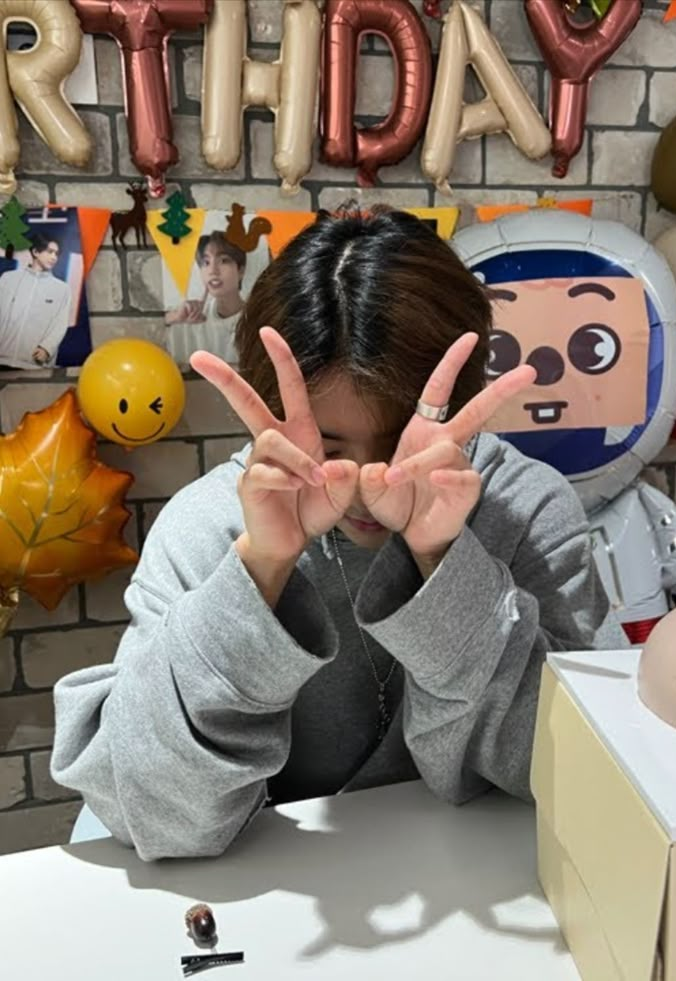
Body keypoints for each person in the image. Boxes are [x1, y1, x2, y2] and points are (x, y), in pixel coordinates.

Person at [51, 205, 624, 862]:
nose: (368, 481)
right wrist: (260, 568)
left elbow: (588, 771)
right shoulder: (207, 525)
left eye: (402, 438)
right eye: (328, 445)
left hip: (483, 879)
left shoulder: (524, 507)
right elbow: (150, 811)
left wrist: (442, 558)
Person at [164, 231, 246, 365]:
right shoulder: (191, 316)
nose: (213, 270)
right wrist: (174, 317)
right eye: (206, 262)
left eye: (224, 261)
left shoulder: (257, 319)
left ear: (241, 270)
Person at [0, 233, 72, 369]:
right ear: (35, 252)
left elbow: (60, 323)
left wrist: (46, 348)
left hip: (34, 365)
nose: (54, 257)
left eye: (56, 253)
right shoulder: (8, 279)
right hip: (2, 359)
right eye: (50, 252)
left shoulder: (62, 289)